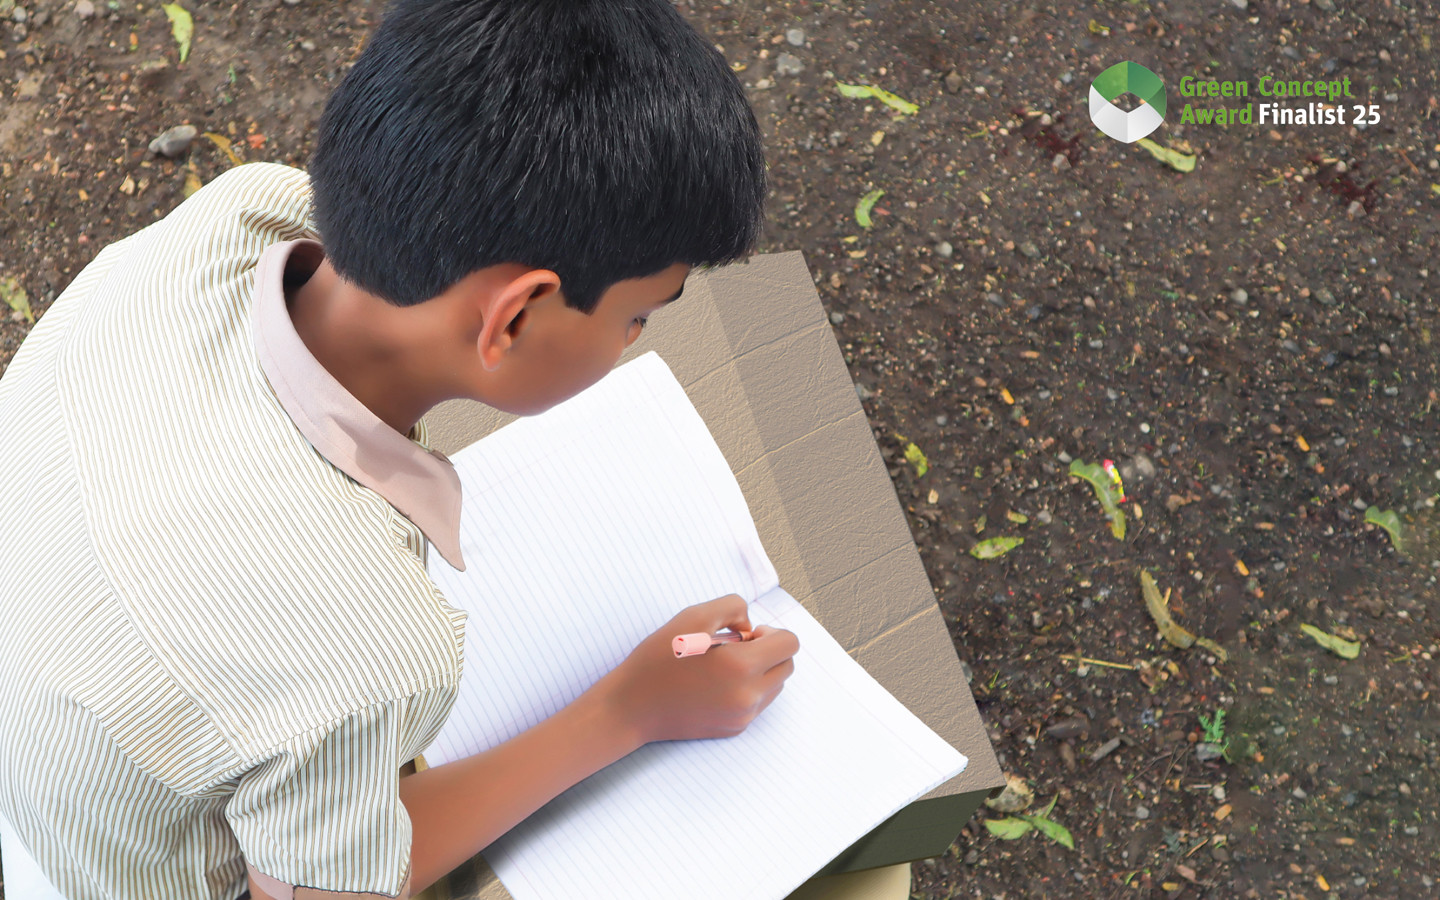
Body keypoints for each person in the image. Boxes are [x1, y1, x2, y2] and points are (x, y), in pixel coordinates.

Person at [0, 0, 910, 898]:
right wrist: (629, 711)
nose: (635, 339)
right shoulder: (370, 651)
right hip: (125, 869)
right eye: (636, 316)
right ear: (514, 314)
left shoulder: (238, 216)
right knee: (870, 881)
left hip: (53, 734)